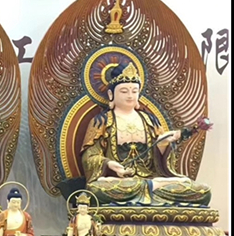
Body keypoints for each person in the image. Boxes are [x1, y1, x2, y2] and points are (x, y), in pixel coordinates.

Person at [81, 61, 211, 206]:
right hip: (120, 183)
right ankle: (152, 188)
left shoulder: (150, 121)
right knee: (96, 190)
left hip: (151, 178)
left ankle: (151, 187)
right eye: (124, 91)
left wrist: (163, 145)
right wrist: (110, 164)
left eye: (134, 91)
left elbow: (162, 164)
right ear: (111, 94)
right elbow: (89, 157)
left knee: (202, 191)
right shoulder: (101, 122)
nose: (130, 96)